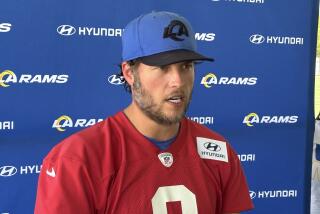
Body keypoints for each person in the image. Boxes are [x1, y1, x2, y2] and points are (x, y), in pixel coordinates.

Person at [35, 11, 254, 214]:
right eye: (162, 67)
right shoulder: (76, 160)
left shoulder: (219, 152)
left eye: (186, 66)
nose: (177, 81)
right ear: (129, 73)